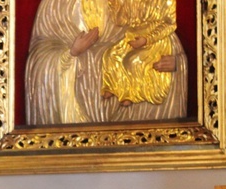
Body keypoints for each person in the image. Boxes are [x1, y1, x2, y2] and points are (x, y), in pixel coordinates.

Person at [25, 0, 187, 125]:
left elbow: (163, 35)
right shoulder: (57, 5)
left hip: (135, 114)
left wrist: (178, 65)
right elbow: (39, 58)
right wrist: (71, 54)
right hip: (78, 107)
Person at [100, 0, 178, 108]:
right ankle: (114, 87)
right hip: (134, 36)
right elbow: (121, 21)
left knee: (133, 61)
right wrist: (116, 3)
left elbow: (170, 24)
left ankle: (133, 95)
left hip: (155, 39)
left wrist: (147, 39)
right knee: (110, 55)